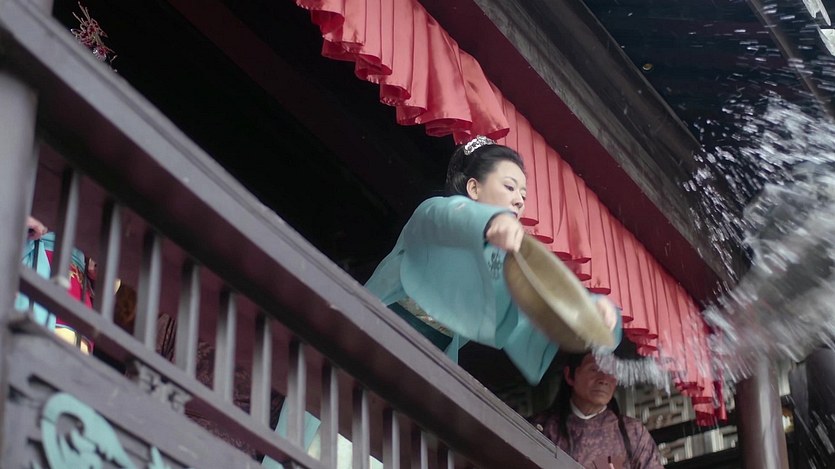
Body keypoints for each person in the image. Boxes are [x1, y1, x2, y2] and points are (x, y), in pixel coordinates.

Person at [365, 135, 621, 385]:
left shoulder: (500, 268)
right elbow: (452, 217)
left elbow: (539, 307)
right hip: (368, 332)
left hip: (424, 369)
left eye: (523, 195)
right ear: (474, 188)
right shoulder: (434, 213)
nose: (519, 200)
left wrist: (587, 313)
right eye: (509, 187)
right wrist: (491, 221)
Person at [532, 352, 664, 469]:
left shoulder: (632, 433)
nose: (604, 379)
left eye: (611, 371)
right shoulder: (543, 429)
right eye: (594, 369)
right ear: (570, 376)